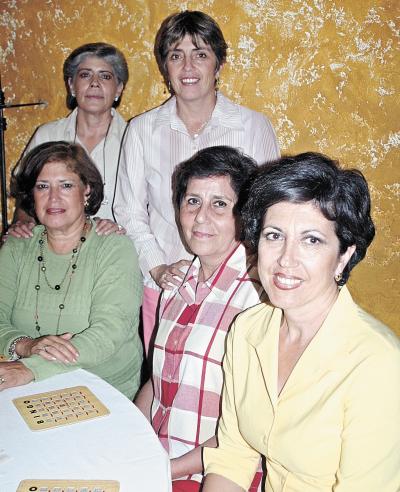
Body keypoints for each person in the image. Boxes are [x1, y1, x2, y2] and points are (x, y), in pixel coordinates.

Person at [203, 152, 400, 491]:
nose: (285, 260)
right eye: (274, 235)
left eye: (312, 240)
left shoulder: (377, 362)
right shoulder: (247, 330)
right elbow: (233, 456)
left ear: (344, 256)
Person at [113, 10, 280, 354]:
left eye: (200, 54)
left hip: (239, 292)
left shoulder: (252, 126)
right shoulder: (142, 130)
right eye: (176, 55)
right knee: (167, 386)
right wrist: (158, 268)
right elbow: (127, 210)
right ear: (165, 67)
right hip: (163, 287)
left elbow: (270, 211)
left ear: (218, 65)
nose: (188, 67)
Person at [135, 146, 265, 492]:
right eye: (192, 201)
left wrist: (167, 469)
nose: (201, 217)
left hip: (216, 475)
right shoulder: (176, 285)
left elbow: (254, 428)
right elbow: (158, 385)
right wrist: (130, 438)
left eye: (220, 204)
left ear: (246, 214)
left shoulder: (259, 297)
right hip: (159, 464)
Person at [0, 142, 143, 399]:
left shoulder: (114, 247)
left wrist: (31, 368)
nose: (53, 197)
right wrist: (25, 345)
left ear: (86, 191)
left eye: (66, 185)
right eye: (43, 186)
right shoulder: (16, 246)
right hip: (26, 387)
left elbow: (109, 333)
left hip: (102, 390)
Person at [9, 42, 128, 238]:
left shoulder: (134, 138)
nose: (95, 83)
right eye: (85, 75)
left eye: (105, 76)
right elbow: (25, 196)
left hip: (114, 250)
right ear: (72, 85)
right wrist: (23, 222)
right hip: (53, 246)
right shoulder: (47, 135)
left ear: (118, 89)